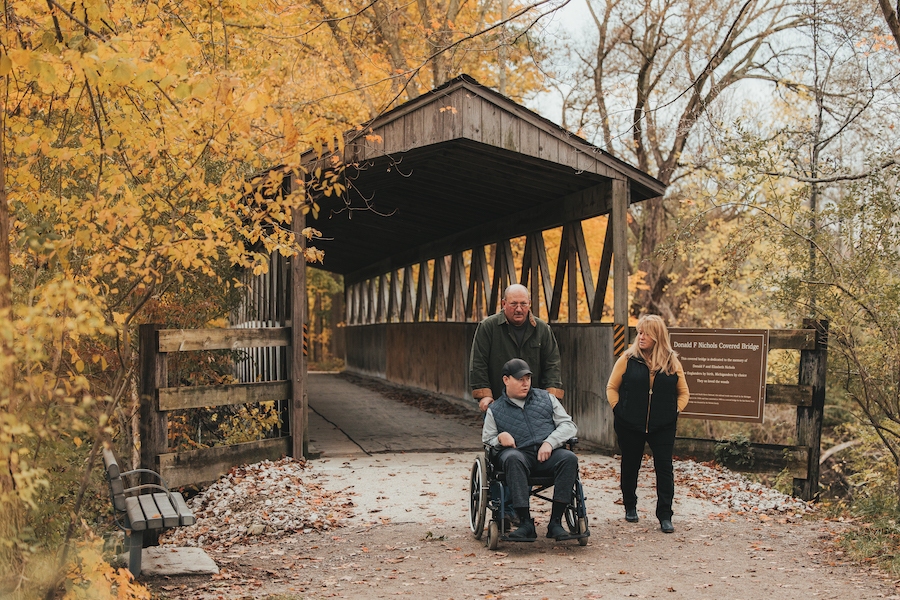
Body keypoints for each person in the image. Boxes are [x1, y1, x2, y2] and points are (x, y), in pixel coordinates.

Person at [605, 314, 690, 534]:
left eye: (646, 333)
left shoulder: (671, 360)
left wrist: (673, 411)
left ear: (657, 335)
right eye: (639, 332)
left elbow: (684, 393)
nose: (641, 337)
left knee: (664, 468)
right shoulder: (627, 358)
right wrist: (618, 409)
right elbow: (611, 388)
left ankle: (665, 515)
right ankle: (630, 505)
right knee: (630, 464)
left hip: (663, 425)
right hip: (630, 424)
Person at [482, 358, 579, 541]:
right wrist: (500, 438)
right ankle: (526, 523)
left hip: (547, 454)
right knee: (512, 458)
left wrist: (550, 442)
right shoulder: (495, 410)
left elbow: (568, 425)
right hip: (518, 456)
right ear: (506, 380)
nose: (525, 383)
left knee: (569, 458)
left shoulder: (546, 398)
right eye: (520, 379)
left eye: (527, 378)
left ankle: (555, 523)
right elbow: (487, 440)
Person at [469, 284, 564, 412]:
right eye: (513, 304)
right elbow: (478, 363)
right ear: (503, 303)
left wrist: (551, 396)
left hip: (535, 405)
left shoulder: (542, 329)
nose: (519, 309)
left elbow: (552, 364)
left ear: (529, 303)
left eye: (523, 304)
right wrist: (485, 396)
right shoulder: (488, 327)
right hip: (498, 403)